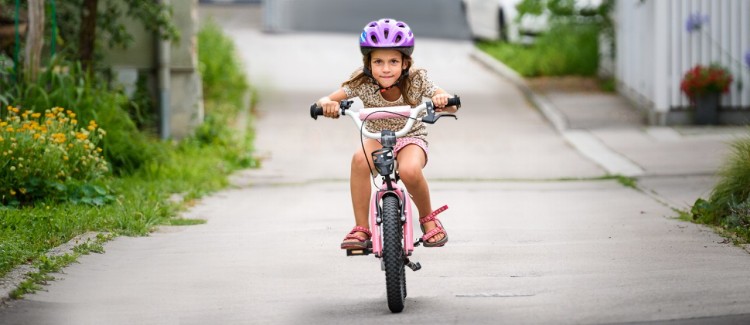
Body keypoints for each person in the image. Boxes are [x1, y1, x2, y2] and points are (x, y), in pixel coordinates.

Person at [316, 18, 458, 250]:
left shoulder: (417, 79)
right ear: (368, 64)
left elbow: (451, 104)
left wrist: (443, 101)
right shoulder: (361, 82)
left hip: (410, 136)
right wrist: (326, 105)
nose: (385, 68)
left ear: (405, 63)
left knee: (410, 170)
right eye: (378, 61)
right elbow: (326, 99)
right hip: (377, 138)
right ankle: (361, 228)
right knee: (359, 160)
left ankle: (427, 218)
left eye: (393, 61)